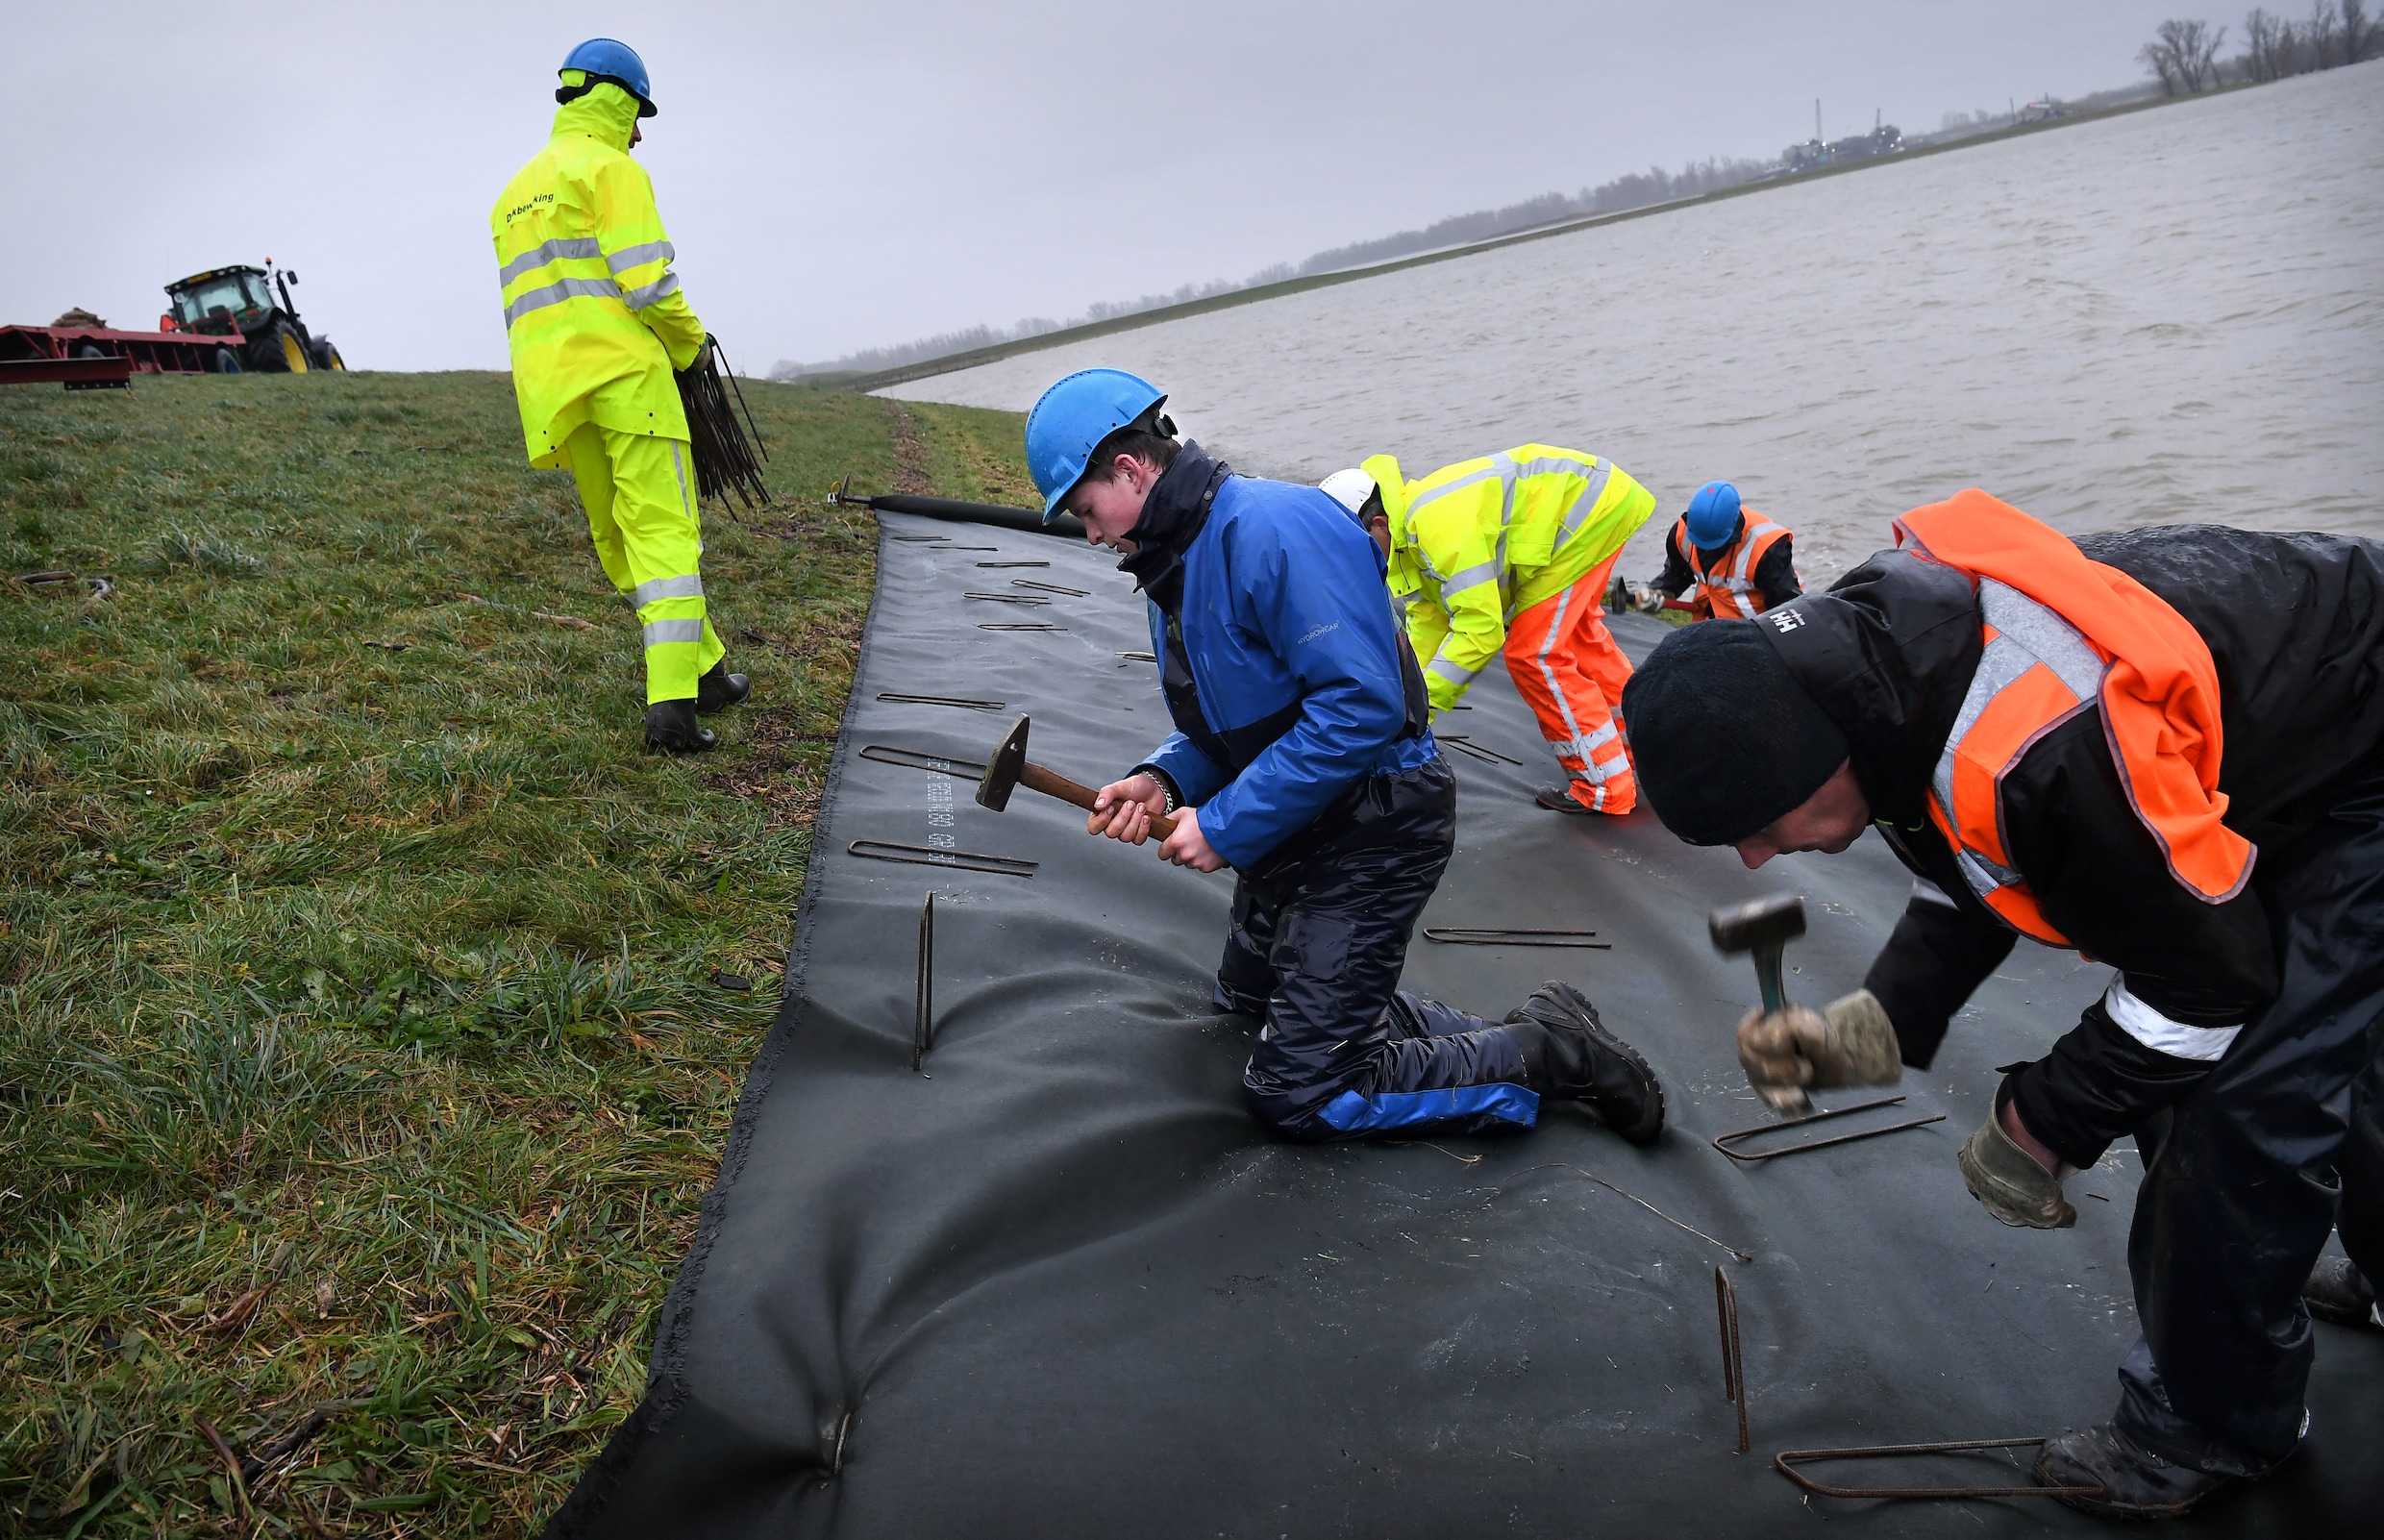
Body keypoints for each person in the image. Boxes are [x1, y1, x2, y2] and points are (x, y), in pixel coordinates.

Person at [1618, 489, 2384, 1521]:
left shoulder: (2040, 743)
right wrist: (1875, 1030)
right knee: (2316, 1041)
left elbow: (2206, 986)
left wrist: (2043, 1119)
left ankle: (2215, 1423)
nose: (1756, 858)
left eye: (1759, 824)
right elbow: (1964, 871)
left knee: (2230, 1100)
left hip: (2357, 754)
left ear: (1821, 761)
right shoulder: (1862, 689)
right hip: (2271, 726)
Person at [1025, 369, 1665, 1146]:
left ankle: (1555, 1053)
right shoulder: (1174, 567)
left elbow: (1362, 710)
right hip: (1299, 821)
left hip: (1376, 823)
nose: (1091, 536)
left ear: (1129, 470)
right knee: (1250, 1010)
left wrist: (1225, 826)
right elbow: (1223, 728)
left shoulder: (1276, 531)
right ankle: (1390, 1024)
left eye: (1087, 512)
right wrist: (1163, 779)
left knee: (1303, 1093)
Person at [489, 37, 748, 754]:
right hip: (628, 382)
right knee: (665, 537)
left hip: (555, 396)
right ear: (621, 99)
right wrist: (692, 345)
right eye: (640, 114)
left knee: (618, 539)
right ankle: (672, 712)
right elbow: (648, 284)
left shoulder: (512, 196)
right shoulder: (613, 169)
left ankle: (707, 671)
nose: (640, 132)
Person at [1319, 447, 1655, 817]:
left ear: (1379, 523)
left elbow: (1481, 628)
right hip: (1595, 502)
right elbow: (1430, 626)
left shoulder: (1434, 525)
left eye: (1357, 547)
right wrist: (1404, 700)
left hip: (1586, 512)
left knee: (1535, 654)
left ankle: (1604, 786)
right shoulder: (1403, 547)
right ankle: (1651, 746)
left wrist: (1422, 706)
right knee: (1577, 639)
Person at [1640, 481, 1800, 619]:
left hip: (1755, 626)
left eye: (1711, 544)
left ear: (1733, 531)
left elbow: (1785, 606)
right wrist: (1656, 592)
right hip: (1709, 621)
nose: (1705, 549)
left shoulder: (1768, 548)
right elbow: (1677, 574)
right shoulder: (1682, 533)